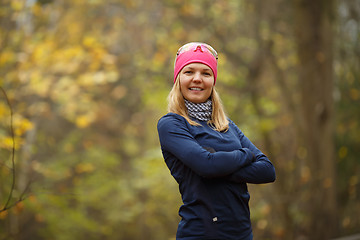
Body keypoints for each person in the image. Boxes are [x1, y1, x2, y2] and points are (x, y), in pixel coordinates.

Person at [157, 42, 276, 240]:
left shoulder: (226, 125)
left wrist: (217, 163)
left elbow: (267, 170)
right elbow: (206, 166)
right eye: (189, 72)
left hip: (242, 233)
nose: (197, 79)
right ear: (178, 79)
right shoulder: (171, 124)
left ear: (213, 80)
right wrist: (245, 155)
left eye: (206, 73)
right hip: (201, 233)